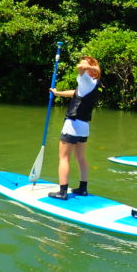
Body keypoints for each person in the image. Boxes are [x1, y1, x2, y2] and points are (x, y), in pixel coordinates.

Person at [47, 56, 102, 200]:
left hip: (73, 124)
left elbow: (80, 68)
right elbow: (76, 94)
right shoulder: (94, 84)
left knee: (64, 158)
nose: (81, 64)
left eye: (85, 63)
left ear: (91, 68)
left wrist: (87, 66)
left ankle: (62, 192)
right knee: (81, 158)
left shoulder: (86, 78)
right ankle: (83, 188)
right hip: (84, 127)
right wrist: (58, 93)